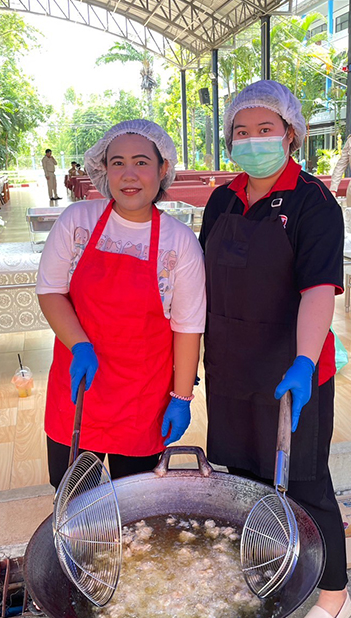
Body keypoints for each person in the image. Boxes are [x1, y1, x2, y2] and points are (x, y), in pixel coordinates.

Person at [201, 80, 350, 618]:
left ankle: (334, 593)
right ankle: (266, 570)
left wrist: (305, 361)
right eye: (241, 131)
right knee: (242, 479)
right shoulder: (222, 200)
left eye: (265, 129)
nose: (252, 140)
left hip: (292, 369)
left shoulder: (314, 202)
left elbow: (319, 291)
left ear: (291, 134)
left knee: (306, 483)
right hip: (232, 365)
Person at [37, 120, 206, 488]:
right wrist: (79, 344)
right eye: (118, 163)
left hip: (141, 401)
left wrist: (181, 397)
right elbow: (50, 291)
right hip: (80, 390)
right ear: (104, 169)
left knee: (137, 504)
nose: (129, 175)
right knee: (74, 501)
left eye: (141, 162)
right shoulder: (77, 221)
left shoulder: (180, 242)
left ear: (163, 168)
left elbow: (188, 327)